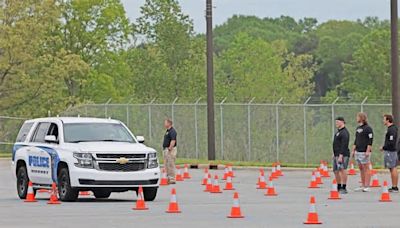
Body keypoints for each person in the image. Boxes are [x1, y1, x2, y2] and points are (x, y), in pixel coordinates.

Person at [352, 112, 374, 192]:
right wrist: (353, 150)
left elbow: (370, 140)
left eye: (357, 117)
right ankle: (363, 184)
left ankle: (367, 186)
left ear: (361, 118)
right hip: (358, 150)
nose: (356, 118)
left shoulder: (368, 128)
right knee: (361, 168)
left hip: (364, 151)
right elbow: (356, 139)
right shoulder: (358, 128)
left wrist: (368, 150)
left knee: (366, 168)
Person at [379, 114, 398, 193]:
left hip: (391, 151)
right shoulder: (389, 129)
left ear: (388, 120)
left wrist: (384, 147)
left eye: (384, 119)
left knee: (393, 167)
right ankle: (394, 186)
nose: (383, 121)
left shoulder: (392, 129)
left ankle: (395, 187)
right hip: (389, 151)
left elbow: (391, 141)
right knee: (391, 168)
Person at [332, 117, 350, 194]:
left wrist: (341, 155)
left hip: (343, 154)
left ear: (342, 122)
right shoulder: (338, 132)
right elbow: (336, 143)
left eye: (337, 122)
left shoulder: (344, 133)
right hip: (336, 154)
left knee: (342, 169)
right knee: (336, 170)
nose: (336, 123)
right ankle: (339, 186)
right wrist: (334, 153)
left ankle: (344, 186)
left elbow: (344, 145)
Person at [163, 118, 177, 184]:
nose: (164, 124)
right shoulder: (167, 131)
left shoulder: (172, 131)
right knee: (167, 164)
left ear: (169, 123)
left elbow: (173, 140)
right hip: (166, 149)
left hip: (170, 150)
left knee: (171, 164)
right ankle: (168, 177)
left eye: (165, 122)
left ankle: (172, 178)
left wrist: (169, 148)